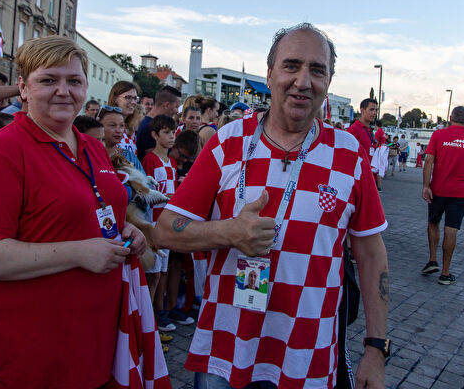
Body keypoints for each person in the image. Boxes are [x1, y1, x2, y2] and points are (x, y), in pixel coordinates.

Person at [154, 23, 389, 389]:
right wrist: (227, 232)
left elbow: (372, 255)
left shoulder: (349, 154)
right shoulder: (228, 141)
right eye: (291, 66)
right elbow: (165, 229)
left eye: (317, 69)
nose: (303, 81)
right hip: (225, 353)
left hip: (307, 355)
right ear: (269, 74)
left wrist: (375, 349)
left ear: (328, 81)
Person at [0, 36, 148, 388]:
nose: (63, 91)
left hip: (93, 339)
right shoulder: (0, 153)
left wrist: (125, 231)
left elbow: (91, 209)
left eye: (74, 81)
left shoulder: (91, 145)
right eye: (48, 80)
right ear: (23, 89)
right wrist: (78, 252)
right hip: (28, 352)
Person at [421, 106, 464, 286]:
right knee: (451, 229)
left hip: (438, 188)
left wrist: (426, 185)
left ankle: (433, 260)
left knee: (433, 222)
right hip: (461, 192)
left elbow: (429, 161)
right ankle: (445, 272)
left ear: (450, 118)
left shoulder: (438, 135)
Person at [140, 115, 179, 333]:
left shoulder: (172, 162)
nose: (171, 136)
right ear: (155, 135)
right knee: (153, 273)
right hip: (152, 223)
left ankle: (158, 313)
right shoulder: (150, 160)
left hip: (167, 222)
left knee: (163, 272)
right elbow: (145, 194)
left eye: (173, 132)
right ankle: (148, 320)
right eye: (166, 132)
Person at [135, 86, 181, 159]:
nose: (177, 111)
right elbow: (156, 159)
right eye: (176, 106)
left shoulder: (149, 123)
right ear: (166, 105)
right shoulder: (148, 126)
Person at [107, 81, 142, 155]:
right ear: (115, 98)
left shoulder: (131, 129)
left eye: (135, 98)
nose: (133, 102)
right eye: (128, 97)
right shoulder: (105, 126)